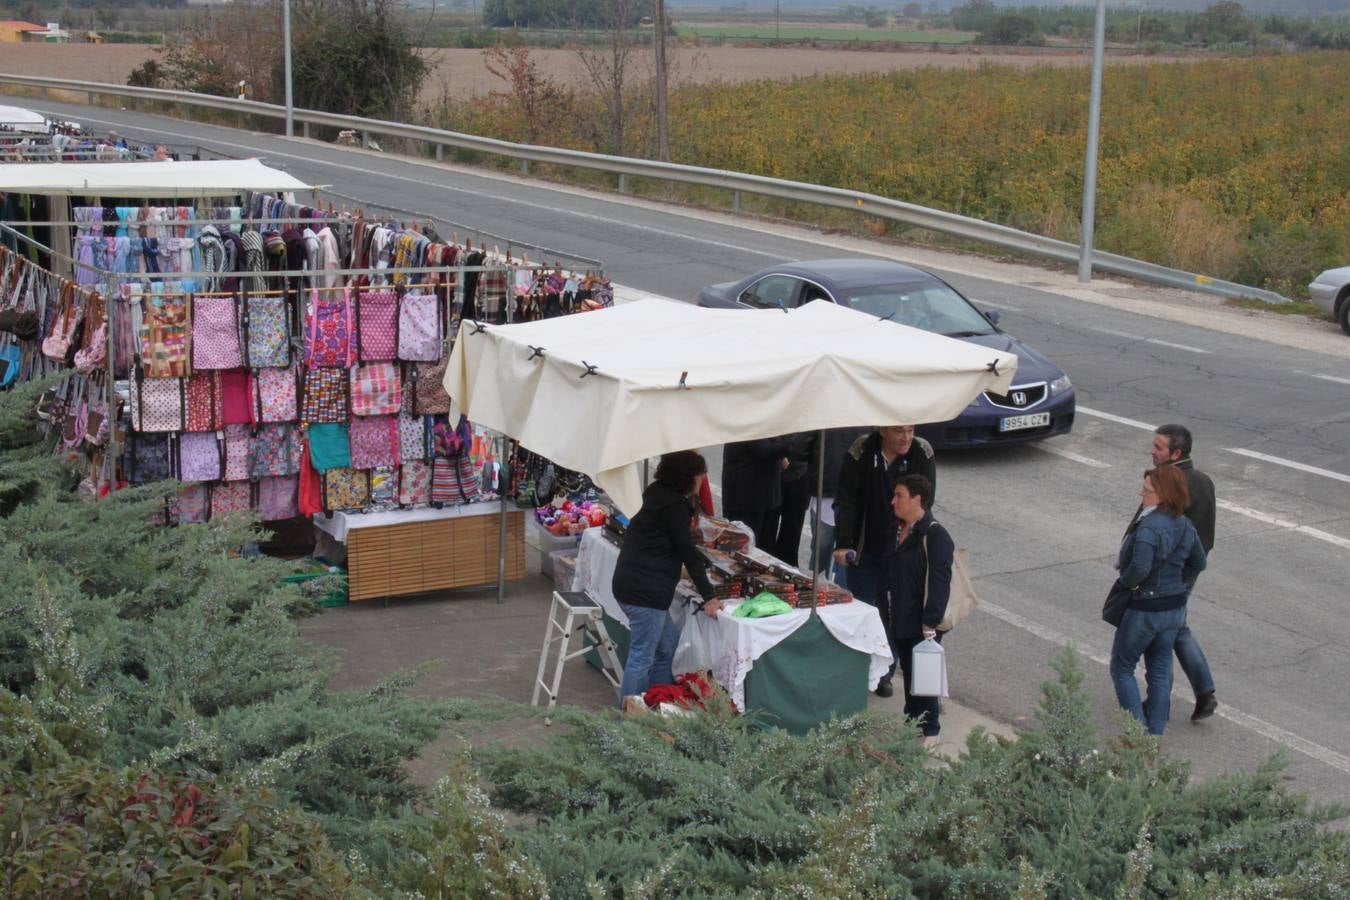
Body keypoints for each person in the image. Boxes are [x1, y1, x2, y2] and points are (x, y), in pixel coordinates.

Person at [611, 450, 724, 703]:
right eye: (700, 474)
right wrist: (710, 596)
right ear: (687, 477)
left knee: (667, 646)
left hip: (632, 583)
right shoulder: (674, 506)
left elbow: (671, 538)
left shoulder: (656, 492)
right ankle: (631, 717)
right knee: (642, 656)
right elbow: (688, 554)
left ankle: (657, 703)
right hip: (645, 592)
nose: (703, 478)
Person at [1110, 467, 1208, 737]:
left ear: (1164, 494)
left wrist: (1125, 584)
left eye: (1148, 490)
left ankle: (1136, 733)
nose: (1142, 493)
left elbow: (1138, 569)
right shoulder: (1185, 524)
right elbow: (1199, 562)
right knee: (1160, 671)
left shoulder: (1148, 528)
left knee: (1122, 669)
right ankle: (1154, 736)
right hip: (1174, 608)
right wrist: (1178, 586)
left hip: (1144, 609)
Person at [1148, 424, 1219, 721]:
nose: (1152, 452)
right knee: (1177, 629)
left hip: (1167, 574)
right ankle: (1204, 692)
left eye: (1158, 447)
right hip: (1191, 568)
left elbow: (1154, 529)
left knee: (1161, 635)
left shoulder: (1169, 482)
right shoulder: (1204, 480)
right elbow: (1207, 534)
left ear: (1175, 452)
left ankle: (1157, 705)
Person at [831, 425, 937, 607]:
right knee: (862, 609)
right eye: (899, 431)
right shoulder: (862, 448)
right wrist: (844, 543)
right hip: (866, 549)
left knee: (900, 612)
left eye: (910, 430)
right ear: (883, 430)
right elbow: (847, 500)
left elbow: (925, 503)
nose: (906, 438)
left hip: (903, 550)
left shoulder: (922, 451)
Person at [880, 474, 951, 742]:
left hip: (922, 625)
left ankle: (929, 733)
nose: (893, 501)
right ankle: (912, 726)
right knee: (910, 677)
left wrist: (929, 623)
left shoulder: (935, 536)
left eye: (899, 495)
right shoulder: (897, 530)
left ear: (917, 499)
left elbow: (939, 583)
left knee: (924, 682)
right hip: (898, 617)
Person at [804, 426, 869, 578]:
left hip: (827, 489)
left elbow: (801, 449)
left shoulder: (824, 415)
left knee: (821, 551)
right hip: (847, 492)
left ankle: (816, 587)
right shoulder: (865, 416)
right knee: (846, 554)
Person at [721, 437, 790, 549]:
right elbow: (763, 449)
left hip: (761, 495)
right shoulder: (749, 420)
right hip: (745, 498)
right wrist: (792, 442)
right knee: (742, 548)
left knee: (761, 547)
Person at [768, 432, 813, 568]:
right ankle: (765, 564)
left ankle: (786, 568)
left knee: (792, 529)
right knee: (768, 525)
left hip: (801, 472)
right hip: (774, 467)